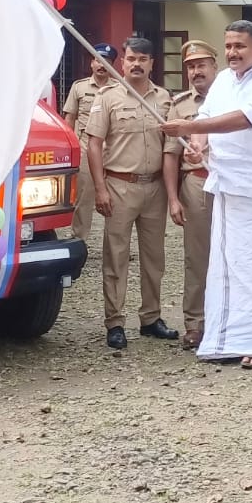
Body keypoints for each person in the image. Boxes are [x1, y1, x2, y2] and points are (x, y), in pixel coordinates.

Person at [161, 20, 252, 369]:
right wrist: (197, 144)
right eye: (230, 46)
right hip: (227, 187)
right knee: (227, 268)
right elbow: (208, 116)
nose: (233, 52)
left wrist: (190, 127)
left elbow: (244, 119)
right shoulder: (223, 81)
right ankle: (227, 340)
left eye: (240, 46)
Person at [87, 38, 177, 350]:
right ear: (122, 62)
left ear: (153, 63)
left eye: (143, 58)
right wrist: (100, 188)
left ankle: (151, 318)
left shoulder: (164, 98)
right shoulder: (108, 96)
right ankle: (115, 322)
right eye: (131, 58)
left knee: (155, 258)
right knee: (116, 257)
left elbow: (171, 146)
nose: (136, 64)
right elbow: (94, 143)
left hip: (154, 188)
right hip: (119, 185)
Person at [165, 40, 218, 351]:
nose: (196, 71)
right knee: (198, 258)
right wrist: (174, 198)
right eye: (190, 66)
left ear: (214, 66)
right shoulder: (180, 104)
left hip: (231, 185)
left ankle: (230, 320)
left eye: (202, 64)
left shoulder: (231, 97)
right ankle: (195, 323)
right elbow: (171, 154)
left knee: (234, 254)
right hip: (197, 185)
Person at [63, 43, 119, 239]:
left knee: (117, 199)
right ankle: (79, 238)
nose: (102, 65)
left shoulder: (121, 89)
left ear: (113, 65)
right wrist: (70, 148)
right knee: (83, 198)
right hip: (86, 150)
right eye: (98, 60)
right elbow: (69, 119)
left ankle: (115, 242)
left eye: (107, 62)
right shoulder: (79, 87)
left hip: (113, 151)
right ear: (92, 63)